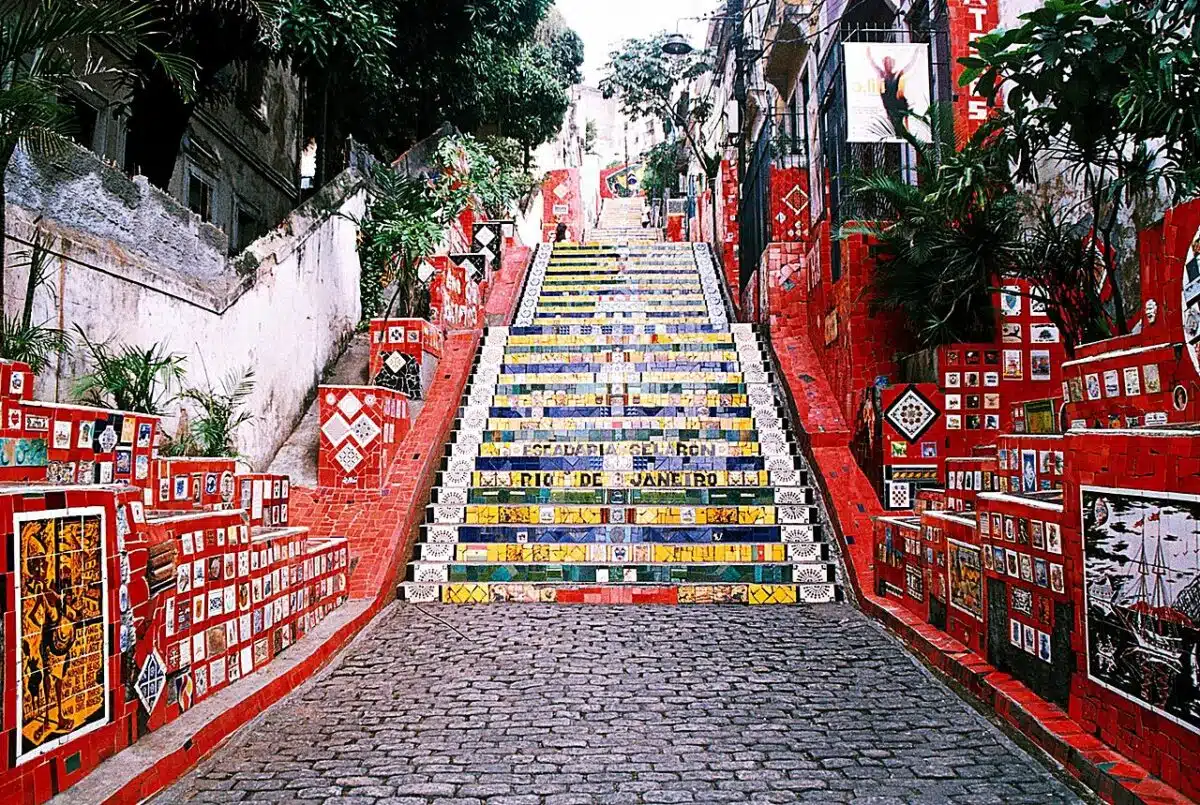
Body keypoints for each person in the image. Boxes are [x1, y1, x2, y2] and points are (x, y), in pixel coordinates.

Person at [866, 46, 922, 136]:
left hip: (897, 104)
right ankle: (900, 134)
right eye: (885, 63)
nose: (887, 65)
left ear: (892, 65)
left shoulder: (896, 75)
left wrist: (916, 53)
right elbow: (873, 65)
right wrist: (868, 55)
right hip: (889, 105)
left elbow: (909, 65)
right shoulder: (882, 74)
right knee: (894, 125)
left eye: (889, 63)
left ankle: (904, 134)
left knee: (899, 123)